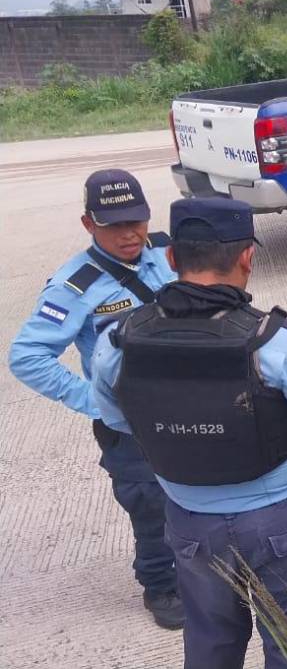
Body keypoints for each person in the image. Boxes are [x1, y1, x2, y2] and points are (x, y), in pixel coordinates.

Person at [90, 198, 287, 669]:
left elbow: (115, 417)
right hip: (283, 524)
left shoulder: (118, 343)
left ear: (171, 259)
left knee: (210, 646)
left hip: (191, 524)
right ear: (247, 258)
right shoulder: (276, 344)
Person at [8, 169, 183, 630]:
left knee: (201, 488)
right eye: (113, 225)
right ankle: (160, 584)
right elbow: (27, 356)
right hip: (128, 425)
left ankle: (204, 567)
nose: (130, 234)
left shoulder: (167, 253)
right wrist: (94, 400)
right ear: (88, 224)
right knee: (149, 502)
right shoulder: (75, 285)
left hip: (188, 403)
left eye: (136, 220)